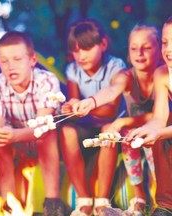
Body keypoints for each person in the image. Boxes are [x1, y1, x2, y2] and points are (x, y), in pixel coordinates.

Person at [72, 23, 162, 215]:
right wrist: (92, 101)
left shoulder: (163, 75)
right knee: (127, 136)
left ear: (160, 49)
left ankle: (159, 198)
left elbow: (159, 115)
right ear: (128, 52)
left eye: (146, 48)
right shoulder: (126, 76)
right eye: (134, 48)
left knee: (148, 142)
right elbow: (112, 91)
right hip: (134, 133)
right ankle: (139, 199)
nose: (139, 53)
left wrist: (122, 121)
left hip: (160, 132)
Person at [0, 31, 65, 216]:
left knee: (48, 132)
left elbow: (43, 126)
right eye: (4, 61)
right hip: (19, 144)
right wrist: (2, 133)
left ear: (32, 60)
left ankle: (52, 204)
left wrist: (14, 135)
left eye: (17, 59)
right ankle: (9, 204)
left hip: (50, 143)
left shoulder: (46, 81)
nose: (10, 66)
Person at [59, 18, 127, 215]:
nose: (81, 55)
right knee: (67, 131)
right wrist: (70, 108)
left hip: (113, 125)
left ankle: (102, 202)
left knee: (108, 130)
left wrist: (83, 106)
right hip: (88, 125)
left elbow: (111, 111)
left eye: (87, 48)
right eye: (76, 50)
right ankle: (84, 200)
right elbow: (74, 106)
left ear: (103, 44)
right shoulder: (73, 70)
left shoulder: (115, 66)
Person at [125, 16, 172, 216]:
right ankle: (165, 205)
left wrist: (160, 132)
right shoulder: (162, 73)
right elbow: (160, 116)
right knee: (160, 136)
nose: (168, 50)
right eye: (164, 43)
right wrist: (148, 129)